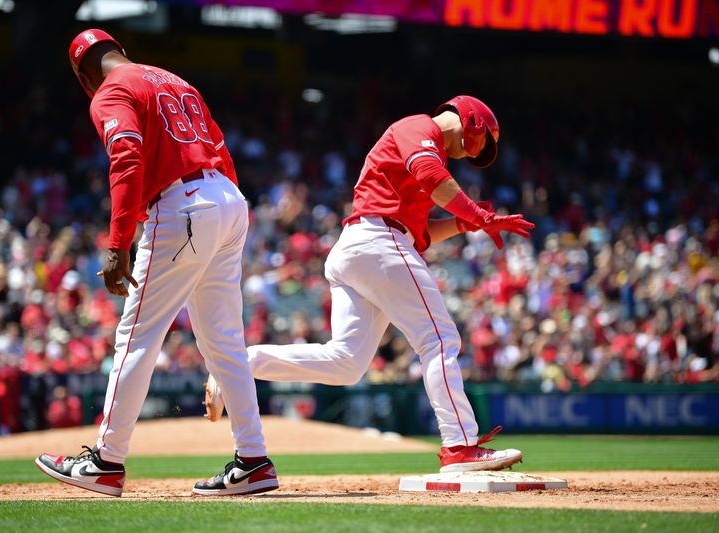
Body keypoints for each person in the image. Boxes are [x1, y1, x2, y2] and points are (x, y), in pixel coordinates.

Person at [205, 96, 534, 472]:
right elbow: (430, 178)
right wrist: (477, 214)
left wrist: (467, 223)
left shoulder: (430, 152)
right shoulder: (418, 127)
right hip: (378, 243)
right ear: (472, 121)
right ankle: (460, 446)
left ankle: (240, 363)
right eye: (480, 144)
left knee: (345, 362)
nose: (471, 155)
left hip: (364, 246)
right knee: (440, 340)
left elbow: (419, 231)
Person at [35, 29, 277, 497]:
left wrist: (118, 241)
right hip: (228, 197)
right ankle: (253, 459)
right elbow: (220, 148)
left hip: (183, 203)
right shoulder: (173, 79)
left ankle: (106, 460)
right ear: (119, 49)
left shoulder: (111, 91)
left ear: (83, 74)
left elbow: (126, 157)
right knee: (224, 339)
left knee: (138, 333)